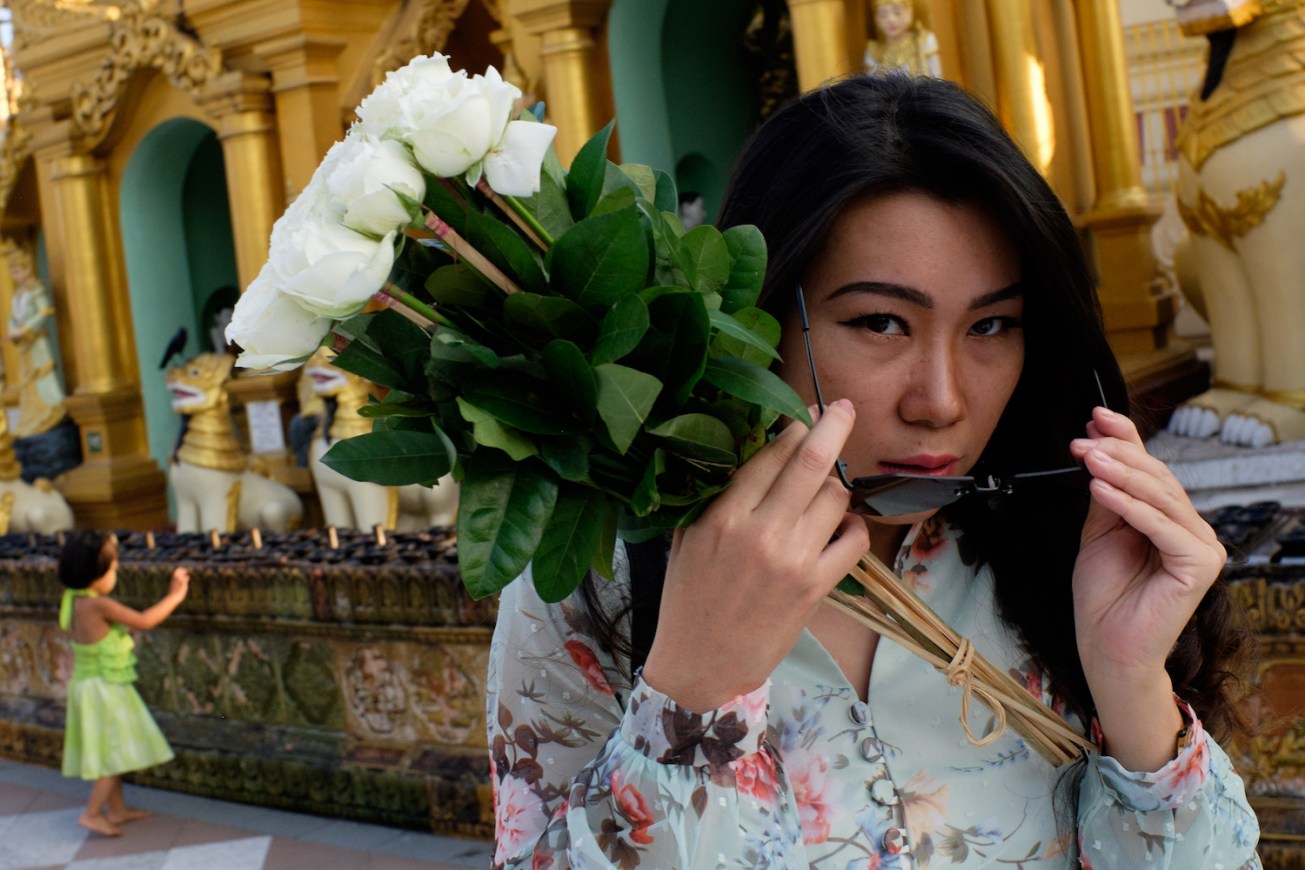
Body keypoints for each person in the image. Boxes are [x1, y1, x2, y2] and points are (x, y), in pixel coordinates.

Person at [486, 74, 1259, 868]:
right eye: (880, 322)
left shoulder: (1062, 559)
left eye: (990, 325)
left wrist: (1131, 685)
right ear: (753, 316)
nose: (942, 401)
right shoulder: (605, 576)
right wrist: (687, 700)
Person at [58, 531, 190, 837]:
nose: (116, 574)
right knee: (113, 753)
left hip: (88, 685)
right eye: (114, 568)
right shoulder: (97, 605)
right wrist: (175, 595)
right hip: (104, 688)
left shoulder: (73, 601)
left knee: (110, 748)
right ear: (97, 573)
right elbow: (143, 621)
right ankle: (92, 814)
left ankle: (116, 810)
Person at [864, 0, 942, 78]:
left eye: (897, 12)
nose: (891, 20)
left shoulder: (925, 41)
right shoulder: (873, 51)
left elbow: (937, 80)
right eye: (883, 15)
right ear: (876, 18)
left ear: (909, 12)